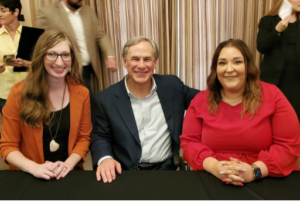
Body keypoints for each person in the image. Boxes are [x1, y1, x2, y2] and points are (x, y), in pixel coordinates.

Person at [180, 39, 300, 186]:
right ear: (215, 69)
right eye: (222, 63)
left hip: (265, 177)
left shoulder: (273, 95)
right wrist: (215, 167)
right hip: (213, 178)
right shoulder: (200, 100)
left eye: (237, 62)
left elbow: (289, 146)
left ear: (248, 66)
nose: (229, 69)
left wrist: (255, 171)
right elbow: (189, 143)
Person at [90, 36, 199, 183]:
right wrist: (105, 158)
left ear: (154, 63)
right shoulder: (105, 99)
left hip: (166, 171)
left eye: (147, 59)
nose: (141, 66)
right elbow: (100, 136)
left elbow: (205, 101)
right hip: (123, 172)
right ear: (125, 62)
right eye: (135, 59)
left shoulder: (173, 87)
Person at [0, 30, 92, 180]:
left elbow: (83, 138)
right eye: (52, 54)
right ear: (40, 57)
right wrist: (34, 168)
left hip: (69, 174)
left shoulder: (82, 93)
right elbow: (8, 146)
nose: (60, 62)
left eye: (65, 55)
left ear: (72, 58)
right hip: (28, 175)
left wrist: (68, 165)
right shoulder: (18, 93)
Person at [35, 0, 117, 92]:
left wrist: (110, 56)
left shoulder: (88, 11)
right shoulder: (47, 12)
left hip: (86, 70)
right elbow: (38, 41)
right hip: (64, 71)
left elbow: (100, 35)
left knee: (85, 101)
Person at [257, 0, 300, 120]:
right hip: (275, 80)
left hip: (297, 80)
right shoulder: (268, 21)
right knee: (275, 117)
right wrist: (277, 30)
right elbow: (261, 47)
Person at [0, 0, 30, 117]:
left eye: (3, 11)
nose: (0, 14)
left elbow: (42, 64)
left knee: (32, 131)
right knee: (10, 132)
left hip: (30, 92)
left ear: (16, 12)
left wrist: (26, 64)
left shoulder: (30, 34)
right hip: (5, 94)